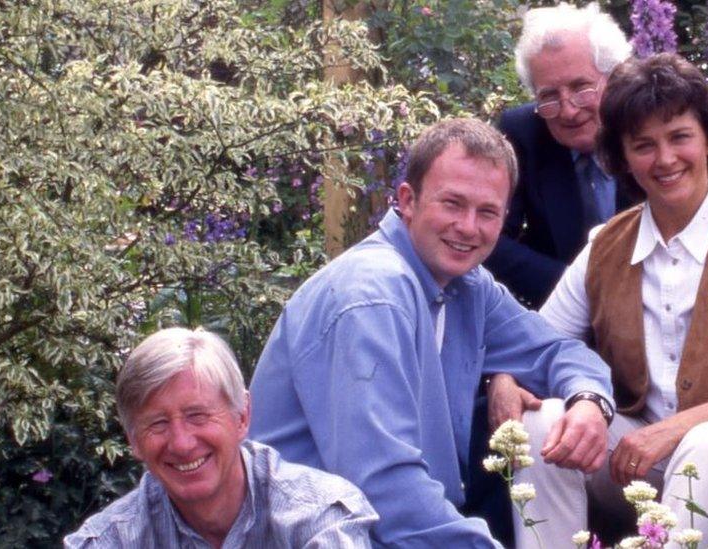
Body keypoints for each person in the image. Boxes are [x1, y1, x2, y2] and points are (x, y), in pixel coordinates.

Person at [492, 54, 708, 547]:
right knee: (541, 422)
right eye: (643, 146)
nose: (665, 159)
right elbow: (536, 344)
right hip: (643, 461)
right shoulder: (607, 244)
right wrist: (505, 378)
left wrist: (675, 429)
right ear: (623, 159)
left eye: (679, 137)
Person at [248, 118, 615, 548]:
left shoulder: (465, 286)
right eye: (452, 204)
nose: (468, 227)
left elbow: (556, 350)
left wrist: (589, 401)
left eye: (487, 212)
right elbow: (383, 491)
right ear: (408, 200)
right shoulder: (372, 296)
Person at [64, 327, 376, 548]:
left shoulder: (317, 518)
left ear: (242, 416)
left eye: (197, 416)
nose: (182, 443)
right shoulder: (110, 540)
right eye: (158, 424)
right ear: (133, 440)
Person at [484, 3, 638, 308]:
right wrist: (578, 290)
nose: (568, 110)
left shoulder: (646, 126)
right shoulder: (523, 133)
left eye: (581, 87)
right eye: (549, 96)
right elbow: (490, 238)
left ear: (614, 78)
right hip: (558, 307)